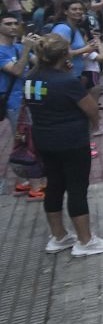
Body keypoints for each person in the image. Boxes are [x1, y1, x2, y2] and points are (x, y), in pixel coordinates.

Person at [25, 34, 103, 257]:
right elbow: (91, 109)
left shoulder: (32, 77)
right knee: (77, 189)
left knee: (54, 187)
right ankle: (85, 241)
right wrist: (93, 127)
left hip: (44, 139)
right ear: (64, 55)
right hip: (71, 141)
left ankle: (59, 237)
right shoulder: (66, 81)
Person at [2, 15, 43, 199]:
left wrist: (40, 47)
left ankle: (23, 183)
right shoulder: (2, 51)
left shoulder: (18, 47)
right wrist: (27, 48)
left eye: (15, 23)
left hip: (28, 101)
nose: (13, 27)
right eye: (7, 24)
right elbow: (18, 71)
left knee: (25, 140)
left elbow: (38, 66)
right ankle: (35, 187)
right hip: (14, 103)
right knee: (28, 143)